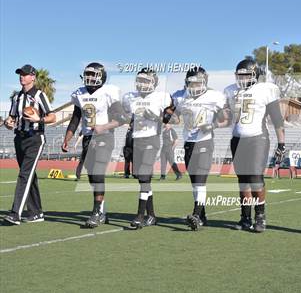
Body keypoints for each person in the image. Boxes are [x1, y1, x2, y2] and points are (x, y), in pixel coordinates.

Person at [224, 58, 285, 233]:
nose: (242, 79)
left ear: (255, 75)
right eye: (240, 75)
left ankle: (260, 216)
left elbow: (277, 119)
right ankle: (245, 218)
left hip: (258, 138)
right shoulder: (230, 91)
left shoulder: (265, 90)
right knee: (243, 181)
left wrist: (281, 143)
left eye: (246, 75)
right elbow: (227, 118)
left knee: (255, 178)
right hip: (237, 139)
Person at [163, 66, 228, 231]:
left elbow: (229, 118)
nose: (193, 86)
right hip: (189, 143)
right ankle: (202, 216)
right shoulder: (179, 97)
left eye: (197, 83)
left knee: (200, 181)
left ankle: (196, 214)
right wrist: (167, 115)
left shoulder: (215, 96)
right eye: (190, 83)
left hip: (205, 141)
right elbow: (174, 116)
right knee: (195, 184)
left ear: (204, 82)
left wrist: (214, 124)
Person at [62, 62, 125, 228]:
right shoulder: (79, 94)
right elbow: (76, 118)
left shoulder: (108, 92)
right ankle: (102, 210)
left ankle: (96, 213)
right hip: (88, 138)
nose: (89, 78)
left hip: (104, 137)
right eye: (87, 74)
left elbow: (122, 118)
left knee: (97, 173)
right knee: (91, 176)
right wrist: (67, 137)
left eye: (93, 74)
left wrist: (103, 126)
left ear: (101, 76)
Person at [3, 64, 56, 225]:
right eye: (20, 74)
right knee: (29, 175)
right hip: (19, 138)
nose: (22, 77)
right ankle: (36, 212)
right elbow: (11, 118)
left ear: (33, 77)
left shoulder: (39, 95)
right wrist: (8, 123)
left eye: (25, 74)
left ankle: (15, 213)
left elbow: (52, 117)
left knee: (24, 175)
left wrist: (38, 119)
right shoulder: (17, 97)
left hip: (35, 139)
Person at [122, 68, 171, 229]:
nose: (142, 83)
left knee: (143, 177)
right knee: (143, 179)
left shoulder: (161, 97)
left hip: (152, 138)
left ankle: (139, 216)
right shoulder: (130, 97)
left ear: (154, 82)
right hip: (136, 139)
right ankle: (152, 215)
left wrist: (156, 117)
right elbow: (125, 115)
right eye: (140, 80)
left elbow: (170, 115)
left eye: (146, 80)